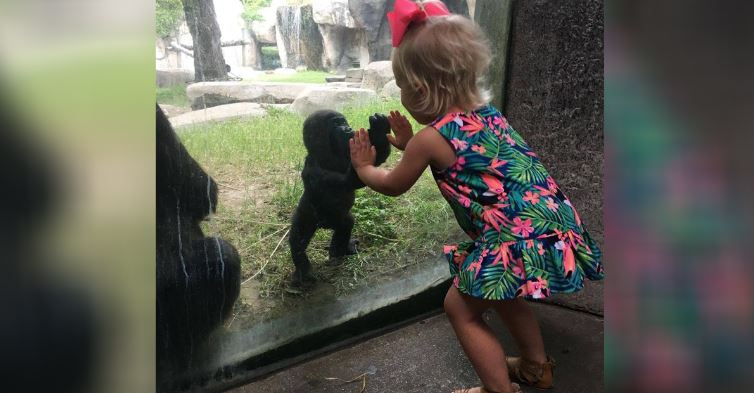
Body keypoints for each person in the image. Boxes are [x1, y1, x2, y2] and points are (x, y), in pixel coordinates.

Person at [348, 1, 605, 392]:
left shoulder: (430, 139)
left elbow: (394, 184)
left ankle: (497, 389)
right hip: (551, 220)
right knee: (500, 292)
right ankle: (536, 366)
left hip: (514, 236)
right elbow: (469, 159)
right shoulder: (487, 113)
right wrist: (410, 145)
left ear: (418, 89)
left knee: (459, 308)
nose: (401, 94)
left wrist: (366, 168)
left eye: (401, 86)